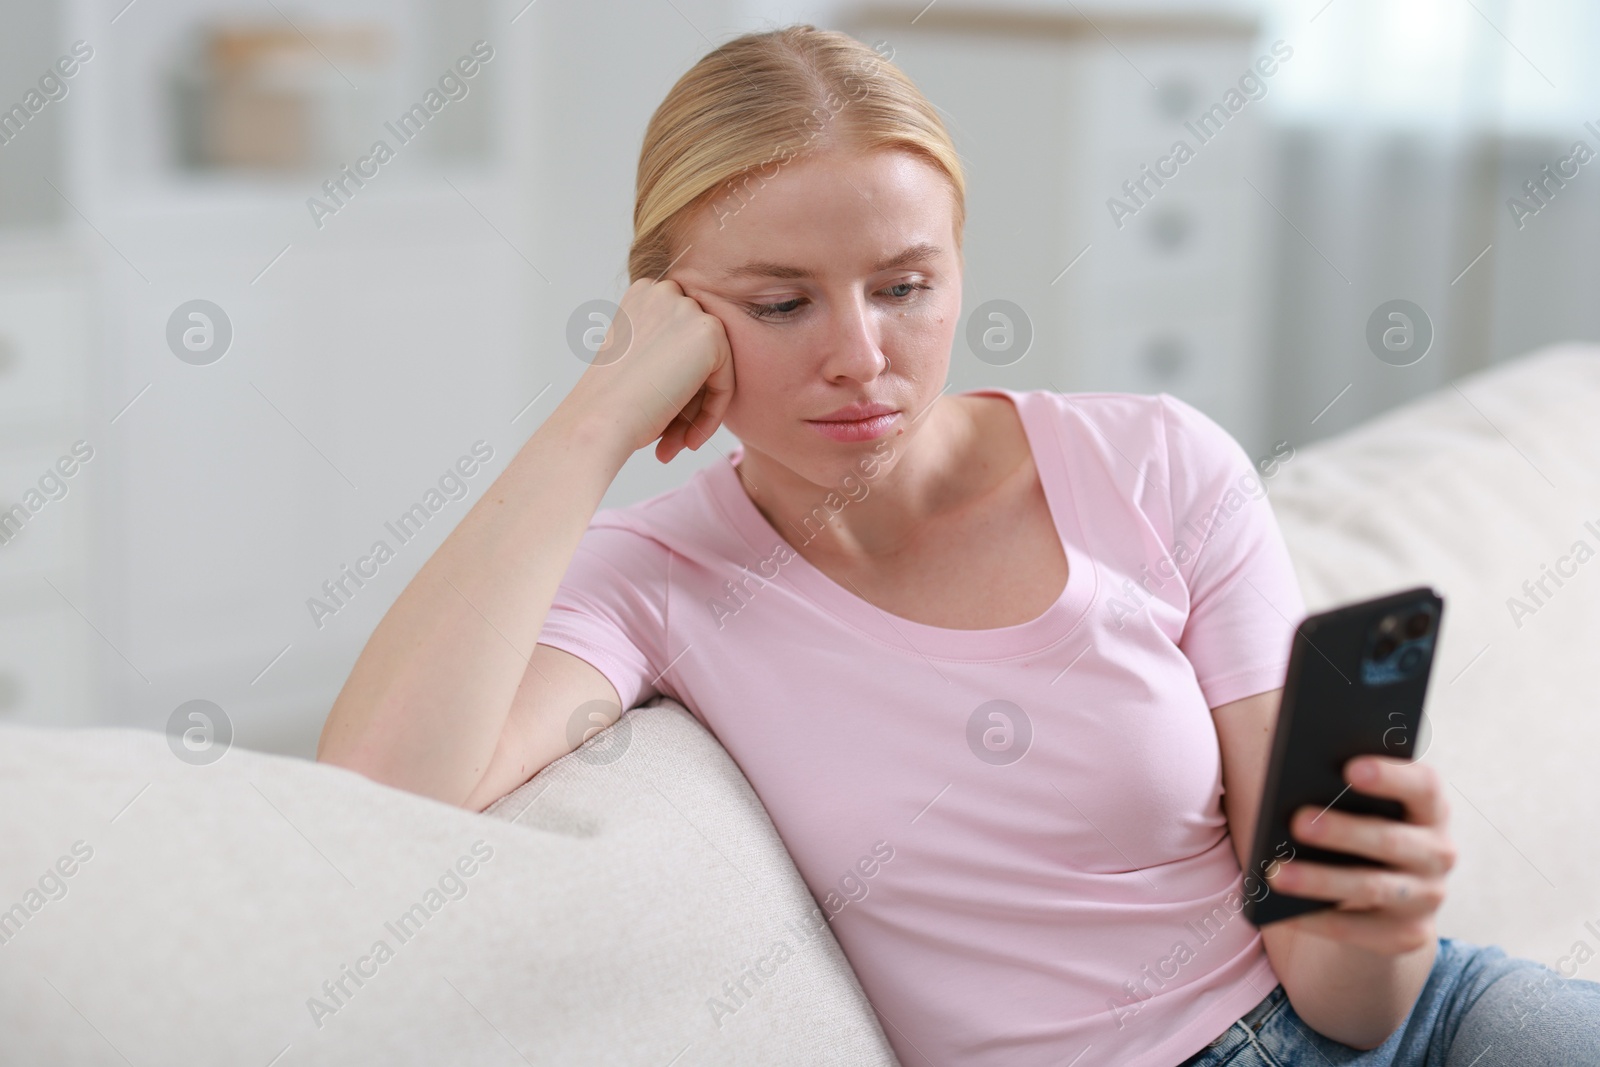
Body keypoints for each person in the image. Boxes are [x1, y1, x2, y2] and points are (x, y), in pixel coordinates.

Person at [316, 24, 1600, 1067]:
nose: (860, 357)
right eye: (778, 303)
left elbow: (1346, 1002)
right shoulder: (656, 579)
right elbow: (378, 789)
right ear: (670, 310)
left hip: (1429, 1025)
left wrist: (1381, 916)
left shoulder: (1156, 464)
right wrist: (595, 417)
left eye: (905, 283)